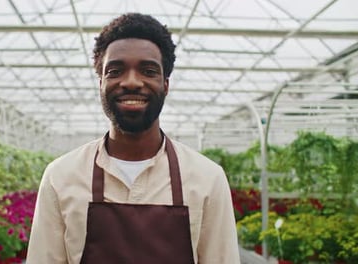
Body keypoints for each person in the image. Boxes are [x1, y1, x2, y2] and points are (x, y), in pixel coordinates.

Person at [26, 13, 240, 264]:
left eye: (148, 71)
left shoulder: (206, 179)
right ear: (100, 83)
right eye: (115, 71)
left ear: (166, 85)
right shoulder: (61, 176)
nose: (131, 82)